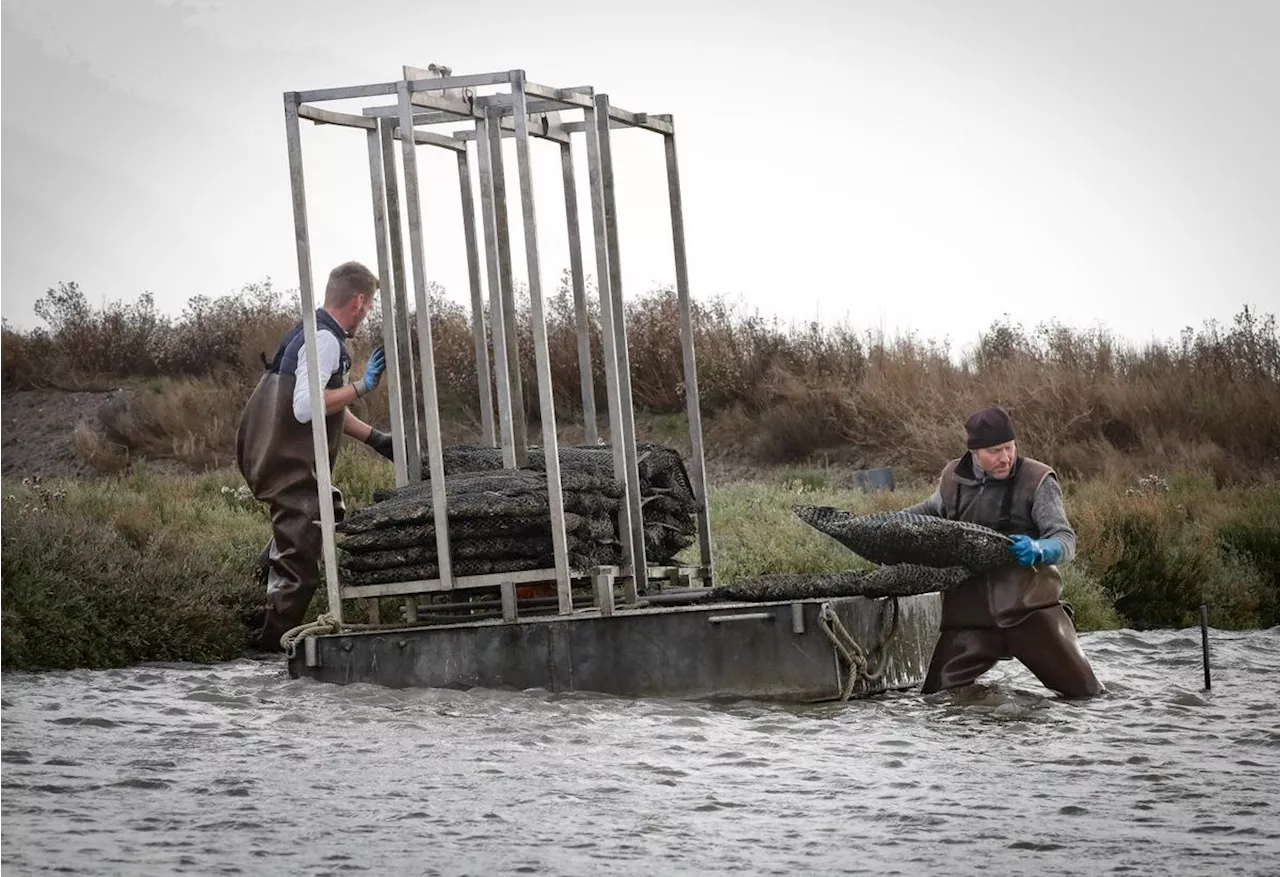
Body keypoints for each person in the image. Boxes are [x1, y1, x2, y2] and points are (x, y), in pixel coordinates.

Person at [236, 260, 396, 651]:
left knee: (328, 509)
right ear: (359, 300)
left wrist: (375, 438)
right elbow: (307, 406)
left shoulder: (310, 331)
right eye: (370, 306)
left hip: (268, 450)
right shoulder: (326, 341)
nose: (366, 314)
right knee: (302, 561)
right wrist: (361, 386)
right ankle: (264, 649)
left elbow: (325, 404)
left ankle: (243, 604)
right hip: (285, 462)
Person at [901, 405, 1103, 698]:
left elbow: (1065, 540)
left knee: (1087, 697)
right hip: (969, 620)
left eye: (1009, 448)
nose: (1005, 458)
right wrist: (884, 523)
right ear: (974, 452)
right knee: (934, 699)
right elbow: (925, 514)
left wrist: (1040, 549)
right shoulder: (951, 479)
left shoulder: (1039, 480)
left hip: (1032, 616)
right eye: (994, 451)